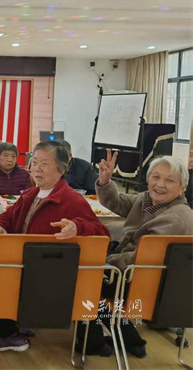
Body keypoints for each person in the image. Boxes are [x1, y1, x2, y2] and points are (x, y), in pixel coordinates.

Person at [0, 141, 110, 352]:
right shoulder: (30, 195)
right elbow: (5, 217)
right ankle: (4, 333)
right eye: (34, 162)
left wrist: (78, 227)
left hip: (44, 281)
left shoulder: (72, 200)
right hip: (22, 272)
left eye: (44, 163)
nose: (37, 168)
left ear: (61, 169)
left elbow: (102, 233)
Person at [77, 152, 193, 358]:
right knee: (88, 273)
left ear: (183, 187)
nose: (160, 184)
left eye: (169, 180)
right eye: (155, 177)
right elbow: (118, 202)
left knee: (81, 278)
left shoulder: (177, 218)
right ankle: (130, 339)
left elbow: (140, 260)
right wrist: (105, 182)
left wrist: (104, 261)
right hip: (136, 275)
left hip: (147, 285)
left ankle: (94, 342)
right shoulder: (148, 200)